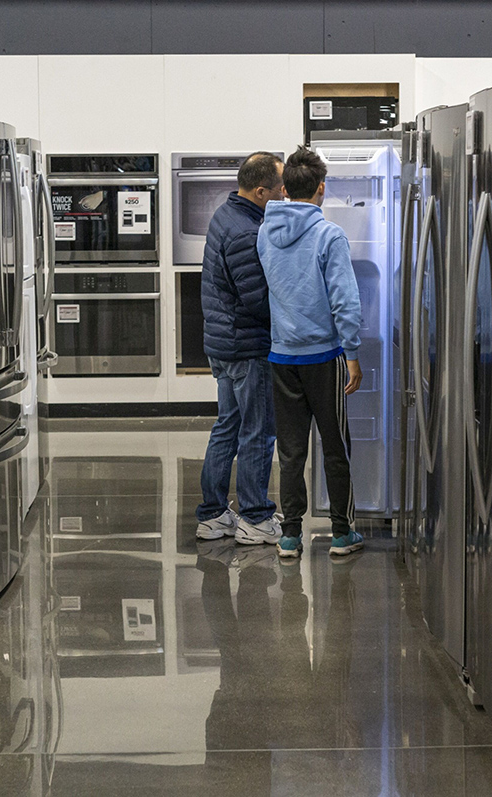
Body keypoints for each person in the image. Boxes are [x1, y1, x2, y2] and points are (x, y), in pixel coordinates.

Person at [258, 145, 364, 559]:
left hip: (282, 357)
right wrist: (351, 353)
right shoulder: (329, 235)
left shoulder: (265, 232)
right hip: (324, 356)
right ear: (321, 188)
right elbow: (345, 301)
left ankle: (289, 536)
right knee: (335, 446)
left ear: (284, 189)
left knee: (290, 452)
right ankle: (341, 533)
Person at [195, 152, 287, 546]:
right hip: (246, 347)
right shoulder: (246, 233)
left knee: (228, 427)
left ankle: (214, 514)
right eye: (280, 188)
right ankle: (254, 517)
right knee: (258, 431)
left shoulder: (227, 214)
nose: (285, 193)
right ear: (261, 190)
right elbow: (257, 299)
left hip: (222, 344)